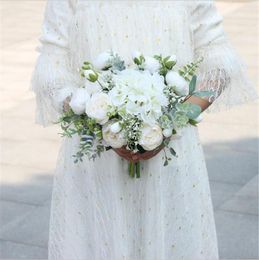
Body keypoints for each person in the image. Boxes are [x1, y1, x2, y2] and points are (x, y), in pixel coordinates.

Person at [30, 1, 257, 259]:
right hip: (97, 159)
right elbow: (51, 72)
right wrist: (100, 118)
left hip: (170, 156)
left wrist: (170, 123)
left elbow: (220, 64)